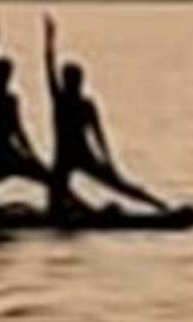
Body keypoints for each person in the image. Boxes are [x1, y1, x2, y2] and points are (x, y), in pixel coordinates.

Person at [42, 15, 165, 216]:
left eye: (74, 80)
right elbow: (48, 69)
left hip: (82, 154)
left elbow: (98, 134)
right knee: (54, 197)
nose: (72, 83)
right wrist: (49, 40)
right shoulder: (61, 100)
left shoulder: (85, 105)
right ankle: (62, 211)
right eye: (70, 79)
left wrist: (106, 159)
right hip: (64, 157)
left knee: (119, 184)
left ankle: (160, 207)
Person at [0, 17, 50, 215]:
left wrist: (31, 154)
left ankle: (57, 208)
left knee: (49, 178)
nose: (3, 78)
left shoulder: (10, 100)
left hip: (9, 154)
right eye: (0, 74)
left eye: (6, 74)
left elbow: (18, 130)